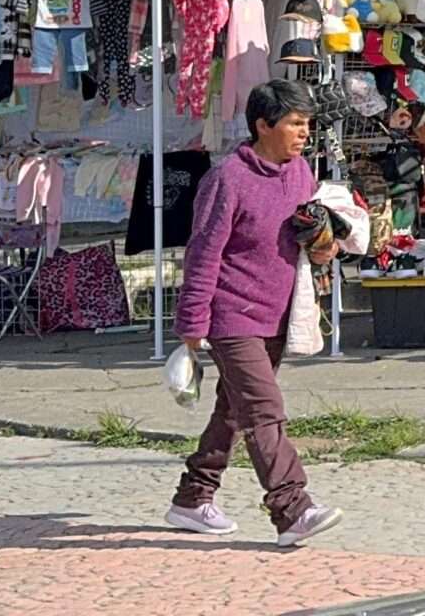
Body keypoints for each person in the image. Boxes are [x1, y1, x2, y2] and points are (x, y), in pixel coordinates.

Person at [166, 80, 343, 546]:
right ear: (263, 125)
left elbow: (309, 236)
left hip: (278, 314)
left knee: (233, 410)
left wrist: (325, 245)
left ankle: (192, 498)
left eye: (307, 124)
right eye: (295, 124)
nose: (304, 133)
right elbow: (202, 253)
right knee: (264, 409)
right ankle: (292, 509)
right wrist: (192, 325)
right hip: (231, 316)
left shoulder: (301, 172)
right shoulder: (226, 179)